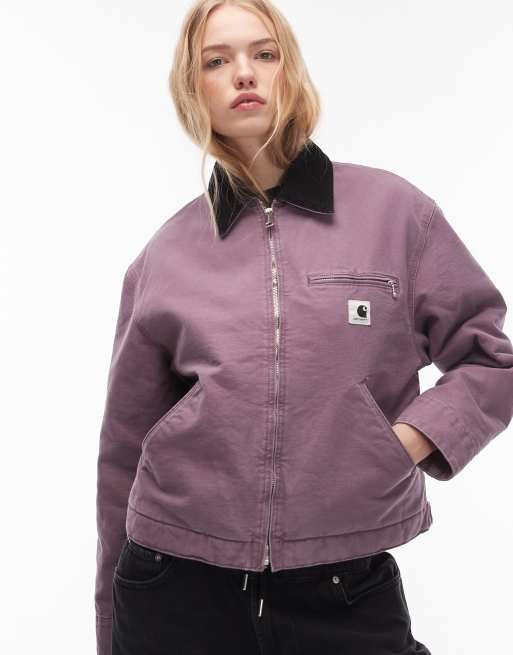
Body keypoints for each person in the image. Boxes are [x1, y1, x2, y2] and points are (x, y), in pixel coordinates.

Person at [94, 2, 513, 654]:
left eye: (264, 53)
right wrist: (107, 615)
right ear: (192, 90)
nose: (243, 73)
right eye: (215, 61)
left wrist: (402, 443)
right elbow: (123, 448)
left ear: (290, 70)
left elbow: (489, 359)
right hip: (173, 584)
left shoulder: (394, 214)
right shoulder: (165, 255)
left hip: (343, 587)